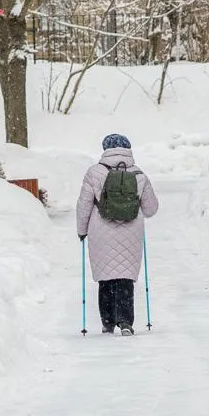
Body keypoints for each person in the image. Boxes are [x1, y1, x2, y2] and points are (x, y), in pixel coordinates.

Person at [76, 133, 160, 335]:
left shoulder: (94, 172)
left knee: (106, 277)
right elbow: (151, 209)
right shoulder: (139, 175)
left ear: (105, 149)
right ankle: (125, 322)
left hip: (100, 230)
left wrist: (81, 231)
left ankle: (107, 321)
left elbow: (84, 204)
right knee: (124, 277)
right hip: (131, 231)